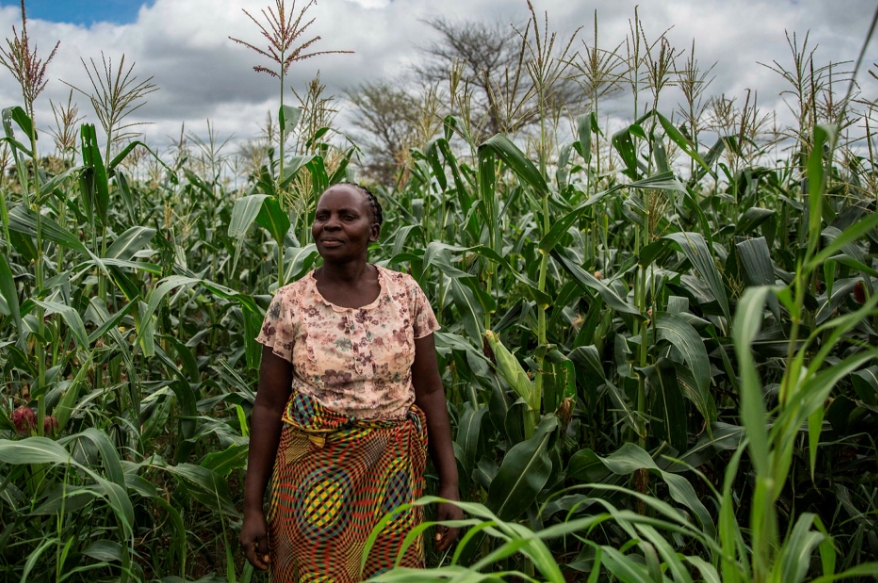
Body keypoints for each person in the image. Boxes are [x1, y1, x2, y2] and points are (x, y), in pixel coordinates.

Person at [240, 182, 463, 581]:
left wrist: (449, 484)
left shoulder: (406, 294)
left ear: (373, 231)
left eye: (347, 216)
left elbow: (430, 391)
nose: (330, 225)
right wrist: (252, 507)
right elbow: (268, 406)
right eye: (322, 216)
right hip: (312, 476)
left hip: (392, 475)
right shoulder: (290, 302)